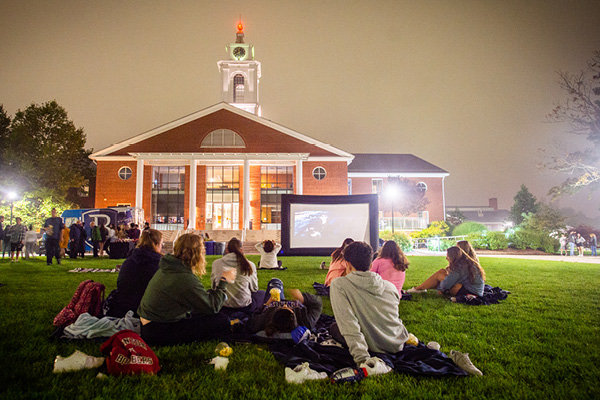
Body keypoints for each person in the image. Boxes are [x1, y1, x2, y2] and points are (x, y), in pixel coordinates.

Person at [137, 233, 236, 346]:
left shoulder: (169, 267)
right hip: (159, 331)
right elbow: (212, 307)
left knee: (201, 314)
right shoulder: (183, 276)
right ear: (197, 253)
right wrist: (224, 281)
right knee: (221, 320)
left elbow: (197, 300)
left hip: (150, 326)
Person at [329, 241, 410, 369]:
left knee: (335, 327)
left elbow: (349, 325)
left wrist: (363, 360)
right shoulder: (390, 287)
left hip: (374, 346)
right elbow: (393, 318)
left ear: (348, 264)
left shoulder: (339, 285)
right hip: (397, 342)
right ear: (371, 264)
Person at [104, 229, 163, 318]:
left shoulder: (130, 260)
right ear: (156, 244)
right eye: (162, 244)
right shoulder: (158, 263)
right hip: (145, 309)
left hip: (123, 305)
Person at [246, 278, 323, 337]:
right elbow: (317, 304)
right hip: (285, 305)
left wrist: (267, 304)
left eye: (281, 308)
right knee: (268, 290)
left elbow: (253, 317)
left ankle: (276, 284)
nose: (284, 305)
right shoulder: (305, 322)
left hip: (273, 301)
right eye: (287, 308)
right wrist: (304, 298)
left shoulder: (265, 320)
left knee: (274, 283)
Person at [408, 241, 486, 297]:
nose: (446, 258)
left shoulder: (460, 266)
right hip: (475, 290)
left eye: (448, 256)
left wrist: (439, 288)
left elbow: (445, 285)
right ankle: (421, 288)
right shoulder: (467, 262)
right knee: (442, 272)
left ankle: (418, 289)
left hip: (471, 292)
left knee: (440, 274)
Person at [211, 237, 258, 313]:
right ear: (241, 250)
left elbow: (213, 287)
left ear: (227, 250)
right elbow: (254, 288)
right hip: (244, 307)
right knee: (260, 295)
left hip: (223, 306)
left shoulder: (217, 264)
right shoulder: (249, 265)